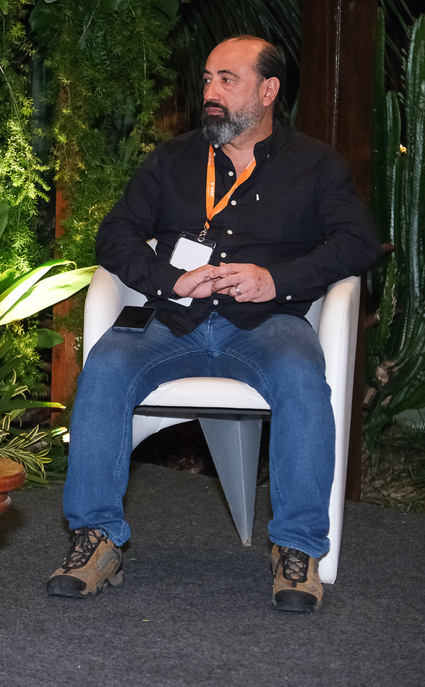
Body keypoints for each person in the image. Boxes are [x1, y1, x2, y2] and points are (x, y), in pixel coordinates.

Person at [46, 35, 383, 613]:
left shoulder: (314, 165)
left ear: (269, 90)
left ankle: (297, 550)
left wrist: (276, 280)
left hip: (267, 322)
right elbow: (115, 234)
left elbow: (358, 243)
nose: (211, 93)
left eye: (228, 80)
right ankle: (96, 537)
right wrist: (166, 279)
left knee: (303, 378)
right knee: (104, 367)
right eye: (207, 80)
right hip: (172, 320)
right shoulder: (173, 161)